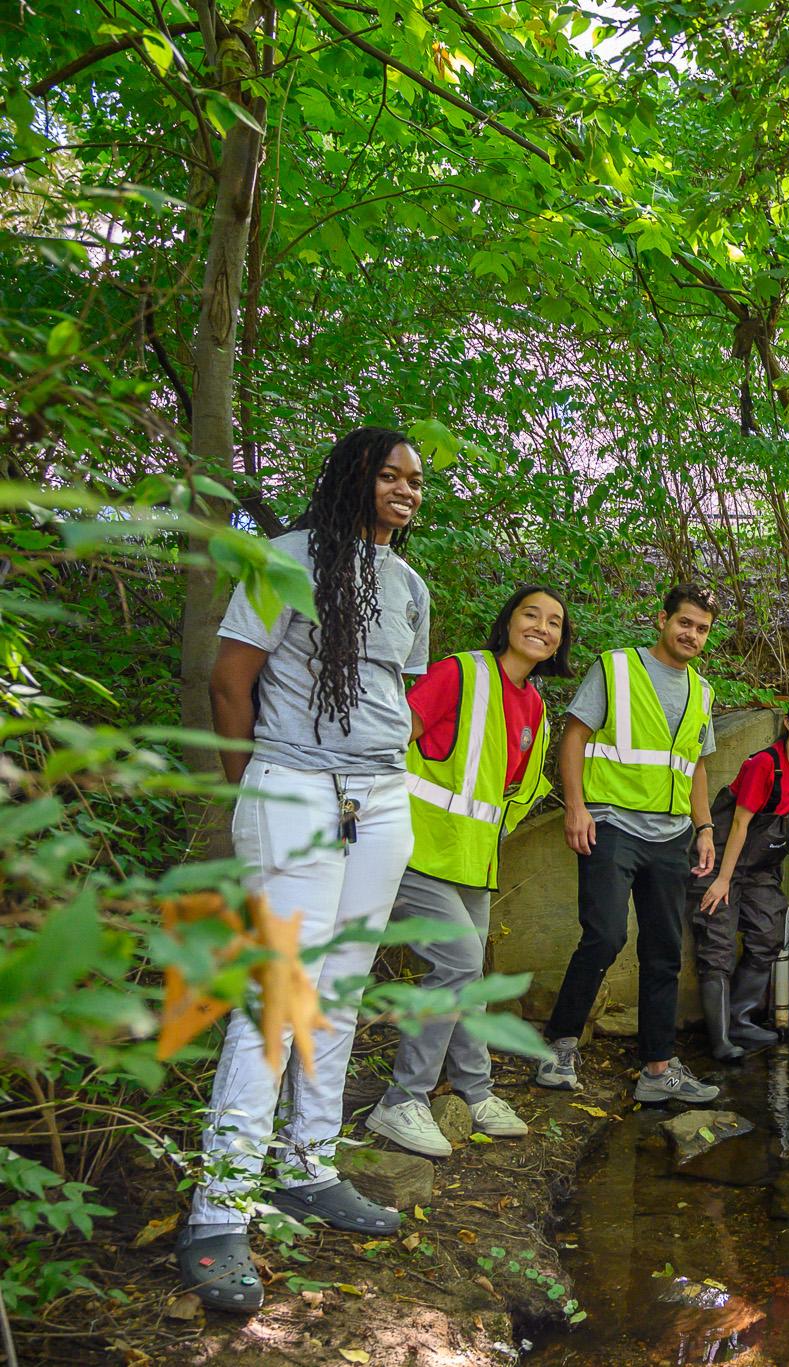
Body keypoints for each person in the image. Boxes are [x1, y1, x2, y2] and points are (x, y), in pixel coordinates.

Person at [181, 427, 430, 1312]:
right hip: (292, 786)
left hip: (382, 798)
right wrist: (254, 792)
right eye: (389, 474)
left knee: (339, 991)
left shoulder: (408, 583)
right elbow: (230, 682)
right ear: (351, 476)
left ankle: (306, 1168)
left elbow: (391, 692)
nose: (405, 489)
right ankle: (218, 1212)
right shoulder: (283, 558)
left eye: (415, 480)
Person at [359, 585, 572, 1158]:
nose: (542, 627)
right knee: (457, 964)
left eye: (554, 622)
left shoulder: (536, 708)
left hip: (472, 860)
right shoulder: (460, 673)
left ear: (560, 642)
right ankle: (403, 1098)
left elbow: (508, 795)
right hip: (414, 846)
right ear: (508, 622)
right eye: (531, 614)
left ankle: (475, 1092)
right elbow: (391, 738)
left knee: (470, 977)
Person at [534, 585, 722, 1108]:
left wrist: (705, 828)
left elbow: (695, 766)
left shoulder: (702, 691)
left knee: (664, 949)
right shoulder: (617, 667)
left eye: (702, 629)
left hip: (672, 836)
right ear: (662, 620)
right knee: (605, 935)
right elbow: (574, 736)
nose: (692, 635)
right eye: (684, 623)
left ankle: (658, 1068)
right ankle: (559, 1046)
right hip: (611, 824)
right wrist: (575, 807)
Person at [688, 696, 789, 1062]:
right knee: (717, 943)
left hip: (759, 869)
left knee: (770, 930)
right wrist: (722, 880)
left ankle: (740, 1019)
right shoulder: (763, 764)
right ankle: (720, 1039)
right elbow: (739, 825)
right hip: (722, 860)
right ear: (788, 723)